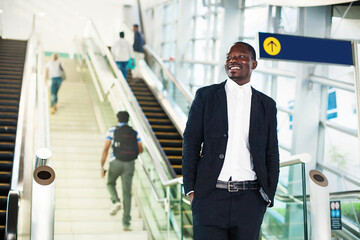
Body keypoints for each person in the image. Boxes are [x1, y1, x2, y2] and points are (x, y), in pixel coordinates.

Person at [182, 42, 280, 240]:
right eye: (229, 57)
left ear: (254, 64)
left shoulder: (266, 105)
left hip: (250, 200)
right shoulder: (206, 96)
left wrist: (268, 196)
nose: (233, 61)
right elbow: (191, 144)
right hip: (210, 197)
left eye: (241, 57)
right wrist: (191, 190)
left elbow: (271, 153)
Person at [100, 111, 143, 231]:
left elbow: (106, 148)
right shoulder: (134, 132)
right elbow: (140, 149)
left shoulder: (112, 131)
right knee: (127, 193)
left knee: (110, 183)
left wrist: (102, 166)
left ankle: (116, 201)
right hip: (130, 164)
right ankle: (126, 223)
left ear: (117, 119)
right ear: (128, 120)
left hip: (115, 162)